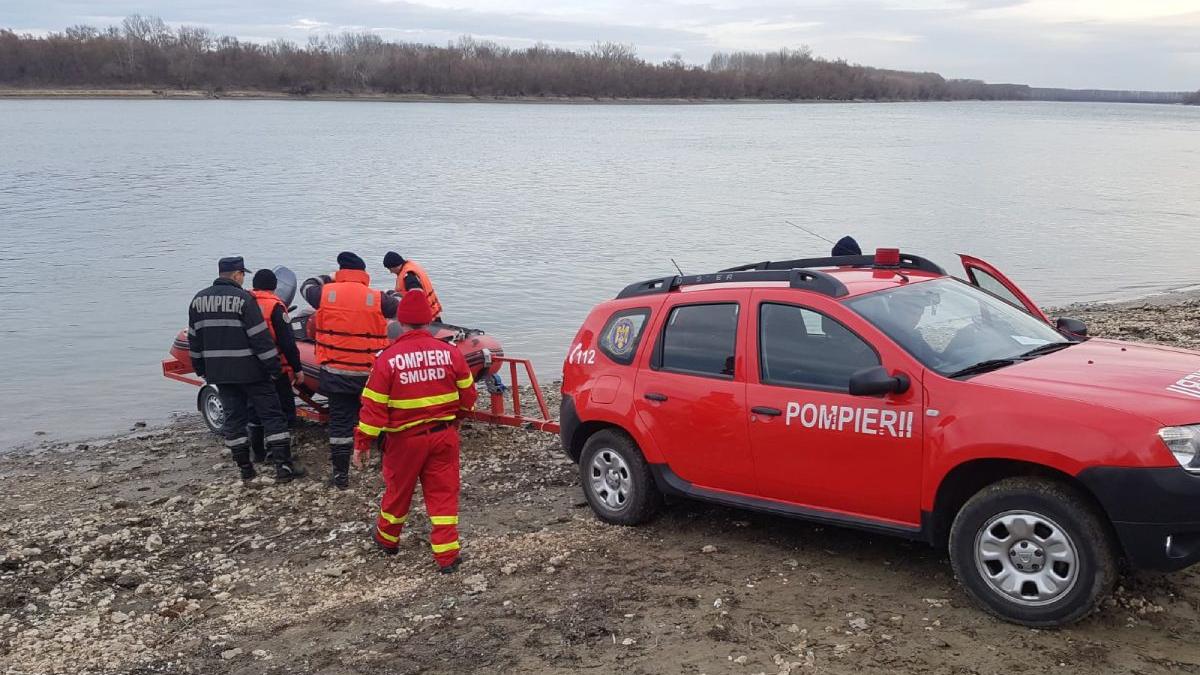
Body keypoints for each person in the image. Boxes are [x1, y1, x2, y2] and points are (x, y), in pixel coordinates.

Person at [353, 289, 477, 572]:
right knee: (444, 495)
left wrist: (362, 443)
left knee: (398, 491)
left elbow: (373, 409)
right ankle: (447, 557)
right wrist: (453, 420)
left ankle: (387, 540)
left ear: (401, 322)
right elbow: (468, 396)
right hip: (444, 435)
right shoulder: (451, 353)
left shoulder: (388, 359)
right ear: (429, 321)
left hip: (405, 440)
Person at [188, 257, 304, 482]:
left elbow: (195, 340)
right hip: (252, 371)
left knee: (234, 420)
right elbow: (260, 338)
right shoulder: (243, 299)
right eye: (242, 274)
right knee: (273, 417)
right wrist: (274, 369)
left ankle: (246, 469)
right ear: (236, 274)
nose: (243, 279)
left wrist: (201, 370)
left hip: (220, 373)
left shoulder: (198, 300)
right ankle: (283, 468)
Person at [301, 252, 398, 489]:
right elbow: (400, 306)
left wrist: (330, 277)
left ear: (341, 271)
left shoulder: (325, 293)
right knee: (382, 418)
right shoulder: (376, 298)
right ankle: (388, 468)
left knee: (340, 424)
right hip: (370, 372)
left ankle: (340, 476)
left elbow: (306, 286)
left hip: (336, 372)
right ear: (364, 273)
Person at [246, 269, 305, 464]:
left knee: (254, 410)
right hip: (275, 366)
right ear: (274, 287)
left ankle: (257, 452)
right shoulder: (275, 307)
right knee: (283, 411)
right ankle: (278, 452)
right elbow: (287, 343)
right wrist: (297, 369)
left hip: (250, 367)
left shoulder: (244, 301)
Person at [383, 251, 443, 322]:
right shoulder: (410, 267)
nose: (390, 272)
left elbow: (417, 294)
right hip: (433, 312)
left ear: (395, 265)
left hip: (426, 316)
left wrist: (394, 295)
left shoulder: (408, 276)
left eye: (390, 269)